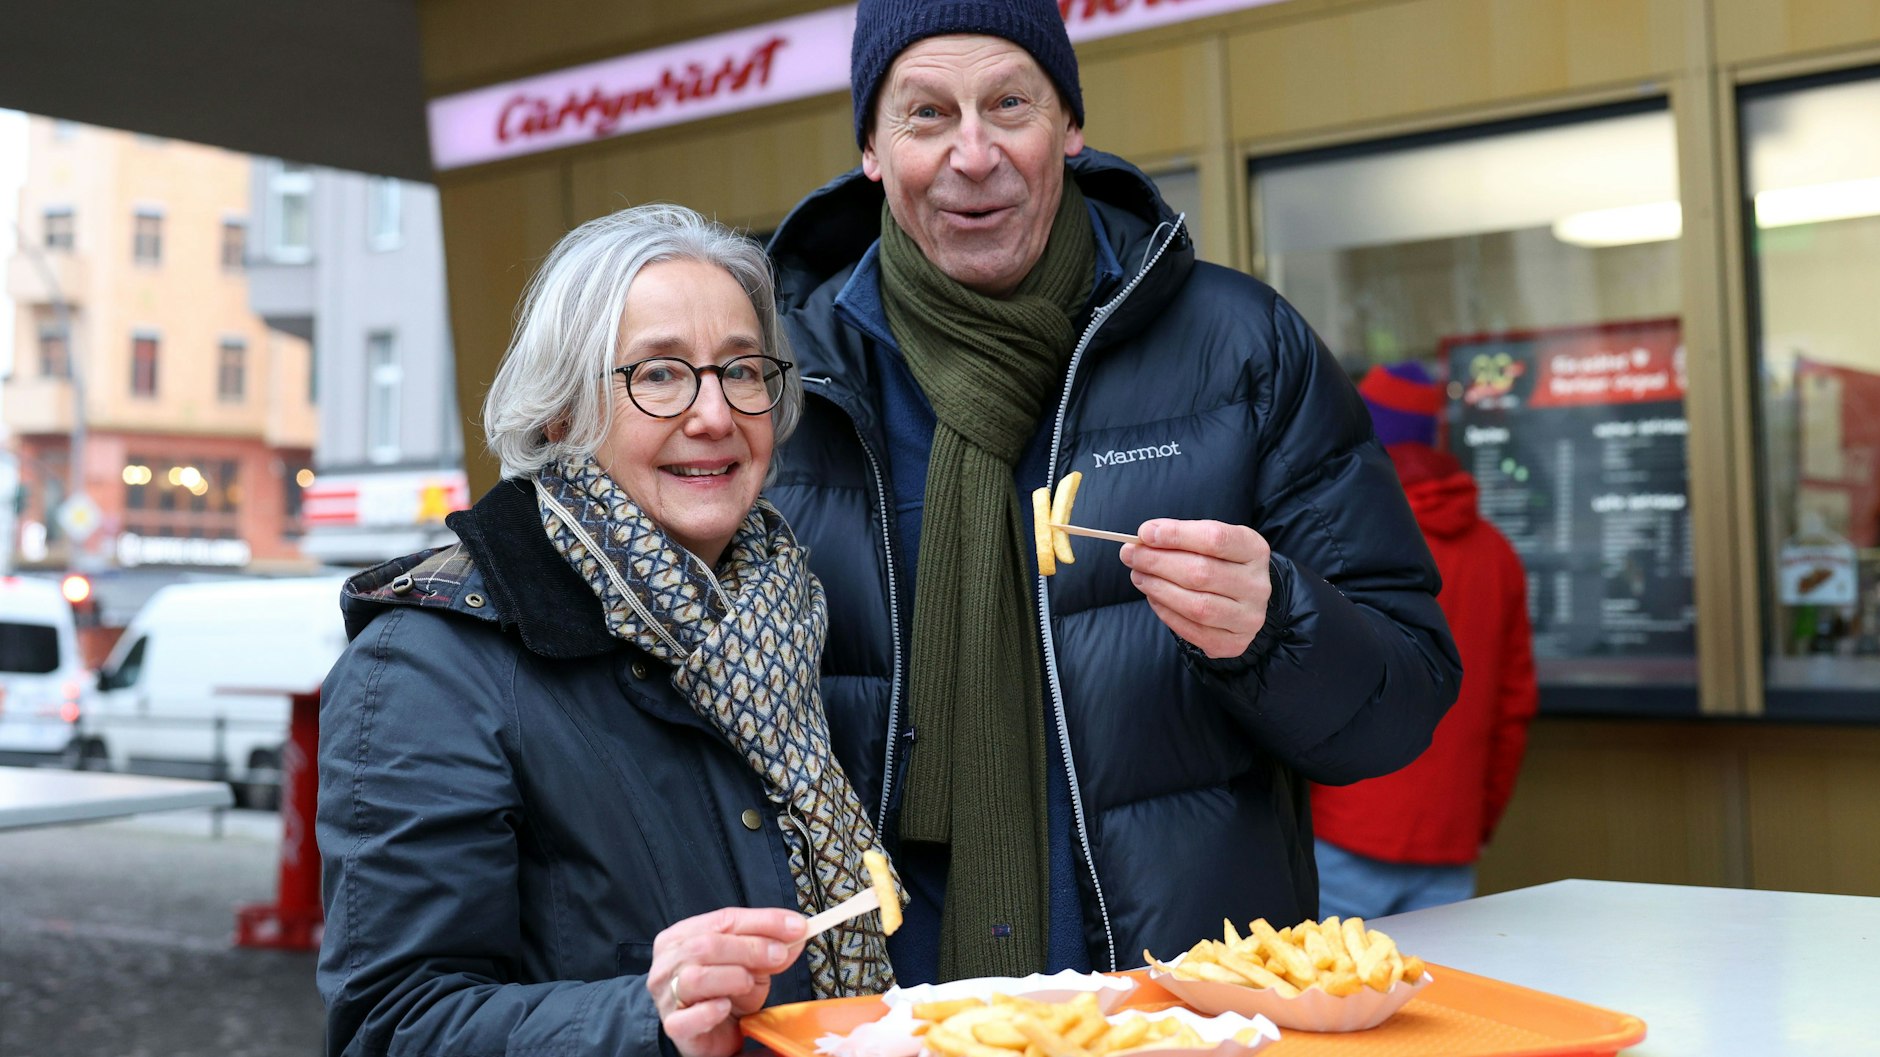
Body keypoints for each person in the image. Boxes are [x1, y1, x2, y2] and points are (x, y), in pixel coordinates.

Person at [764, 0, 1463, 984]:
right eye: (925, 115)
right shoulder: (772, 386)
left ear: (1070, 125)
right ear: (870, 150)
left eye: (1009, 103)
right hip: (865, 1014)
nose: (972, 154)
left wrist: (1273, 628)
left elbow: (1400, 706)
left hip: (1183, 1012)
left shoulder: (1240, 348)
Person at [316, 204, 898, 1057]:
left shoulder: (786, 617)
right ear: (558, 413)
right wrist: (645, 1017)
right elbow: (392, 1026)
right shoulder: (424, 666)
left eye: (742, 370)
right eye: (659, 375)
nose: (714, 415)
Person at [1310, 362, 1539, 918]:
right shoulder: (1496, 554)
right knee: (1433, 1001)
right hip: (1450, 836)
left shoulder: (1341, 536)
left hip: (1343, 827)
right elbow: (1514, 708)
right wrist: (1477, 822)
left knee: (1326, 997)